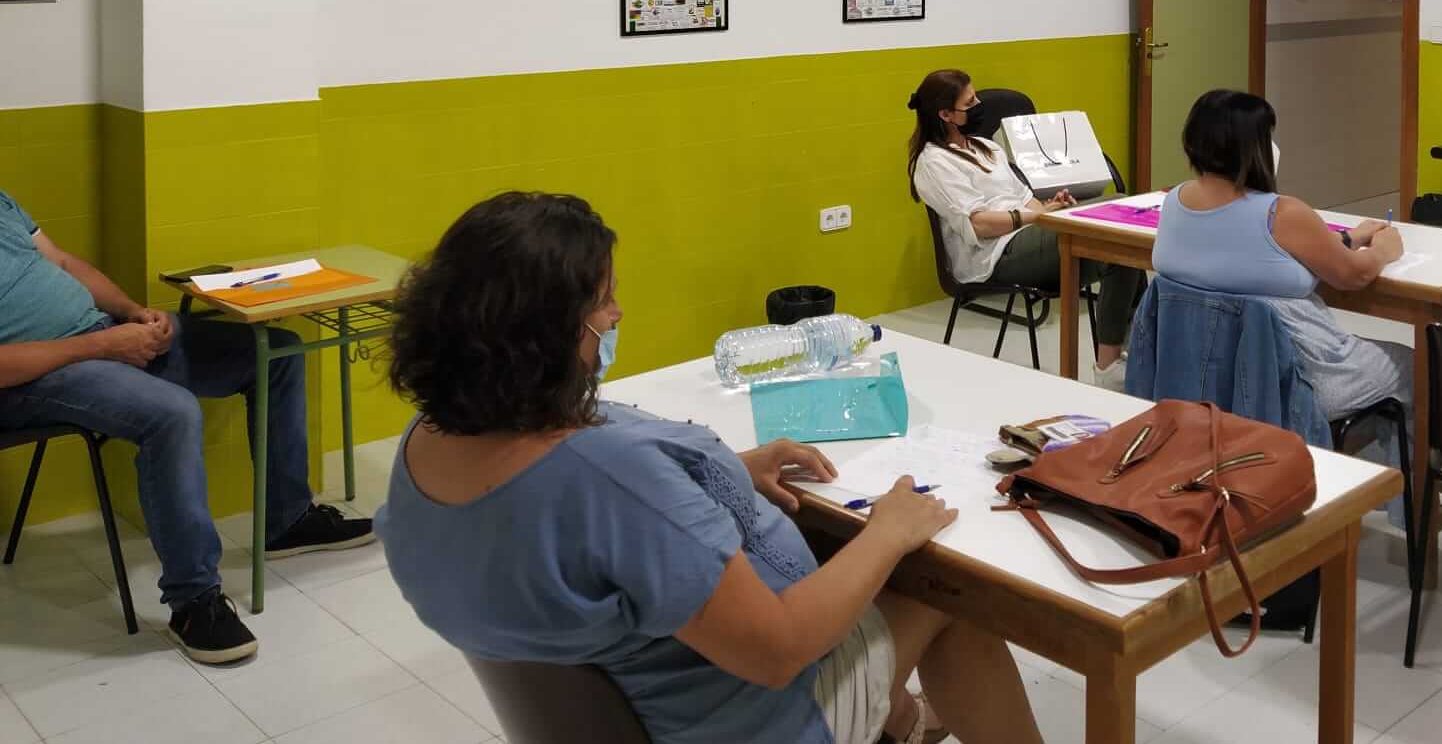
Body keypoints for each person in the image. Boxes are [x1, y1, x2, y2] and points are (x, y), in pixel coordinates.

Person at [376, 191, 1041, 744]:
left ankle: (900, 719)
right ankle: (898, 718)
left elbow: (591, 523)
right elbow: (778, 650)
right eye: (604, 301)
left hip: (640, 703)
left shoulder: (425, 444)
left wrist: (726, 473)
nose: (617, 313)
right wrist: (888, 533)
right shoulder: (613, 481)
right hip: (746, 718)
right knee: (947, 598)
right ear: (547, 334)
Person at [0, 187, 373, 664]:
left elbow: (65, 264)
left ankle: (289, 520)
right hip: (33, 377)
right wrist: (104, 346)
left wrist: (133, 313)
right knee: (172, 413)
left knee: (277, 352)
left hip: (100, 332)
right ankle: (195, 602)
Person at [1151, 89, 1415, 429]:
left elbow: (1250, 255)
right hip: (1296, 377)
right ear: (1254, 147)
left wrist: (1348, 239)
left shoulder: (1175, 202)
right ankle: (1389, 463)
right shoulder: (1281, 214)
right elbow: (1354, 276)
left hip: (1201, 377)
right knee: (1413, 364)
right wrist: (1383, 250)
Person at [906, 70, 1145, 379]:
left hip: (1028, 233)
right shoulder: (933, 162)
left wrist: (1050, 208)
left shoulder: (987, 147)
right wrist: (1038, 218)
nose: (979, 106)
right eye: (970, 103)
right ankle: (1107, 365)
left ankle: (1137, 352)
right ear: (945, 114)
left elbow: (1024, 198)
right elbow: (978, 224)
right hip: (995, 254)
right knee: (1114, 239)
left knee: (1122, 220)